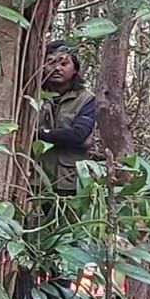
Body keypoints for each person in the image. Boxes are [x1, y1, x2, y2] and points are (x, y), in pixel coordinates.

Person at [38, 40, 98, 194]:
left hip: (70, 181)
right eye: (50, 62)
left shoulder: (86, 98)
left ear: (75, 69)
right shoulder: (32, 95)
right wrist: (63, 136)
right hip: (34, 178)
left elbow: (78, 135)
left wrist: (38, 135)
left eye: (64, 64)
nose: (57, 68)